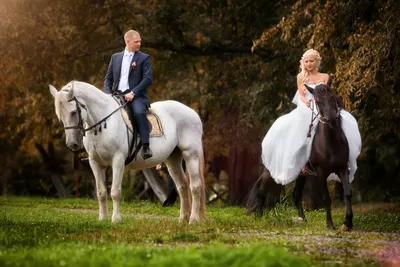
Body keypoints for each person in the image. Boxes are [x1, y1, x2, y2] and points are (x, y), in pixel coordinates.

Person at [261, 49, 361, 185]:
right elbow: (301, 94)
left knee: (343, 121)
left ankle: (344, 157)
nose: (309, 64)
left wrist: (320, 104)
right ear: (303, 62)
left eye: (311, 61)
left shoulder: (325, 76)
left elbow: (324, 93)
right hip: (307, 106)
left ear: (317, 62)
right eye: (306, 61)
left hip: (321, 106)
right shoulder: (300, 77)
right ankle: (303, 161)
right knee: (302, 128)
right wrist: (306, 101)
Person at [104, 30, 153, 159]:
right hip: (116, 95)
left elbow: (148, 79)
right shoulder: (115, 57)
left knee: (138, 112)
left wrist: (133, 92)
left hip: (137, 96)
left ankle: (146, 145)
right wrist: (108, 93)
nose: (139, 44)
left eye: (140, 41)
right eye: (136, 41)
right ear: (127, 42)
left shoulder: (144, 58)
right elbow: (108, 79)